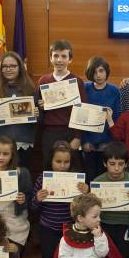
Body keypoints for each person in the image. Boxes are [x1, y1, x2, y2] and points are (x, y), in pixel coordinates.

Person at [32, 141, 89, 258]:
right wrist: (38, 199)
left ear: (71, 162)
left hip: (71, 227)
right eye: (58, 162)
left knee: (78, 257)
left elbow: (85, 210)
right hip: (49, 228)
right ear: (51, 161)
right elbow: (33, 208)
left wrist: (86, 193)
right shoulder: (42, 178)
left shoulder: (77, 180)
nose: (62, 166)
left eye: (66, 162)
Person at [36, 40, 87, 170]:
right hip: (49, 132)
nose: (59, 60)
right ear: (50, 58)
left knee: (73, 168)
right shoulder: (43, 81)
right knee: (49, 167)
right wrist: (40, 106)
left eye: (64, 56)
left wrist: (78, 137)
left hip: (70, 132)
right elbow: (37, 111)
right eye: (56, 56)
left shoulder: (77, 81)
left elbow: (82, 111)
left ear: (70, 59)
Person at [93, 142, 129, 258]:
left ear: (126, 164)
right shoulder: (98, 182)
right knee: (102, 256)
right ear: (104, 163)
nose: (116, 168)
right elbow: (93, 215)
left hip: (126, 224)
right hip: (104, 224)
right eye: (112, 164)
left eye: (121, 164)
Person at [0, 52, 38, 169]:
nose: (8, 69)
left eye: (13, 66)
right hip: (0, 145)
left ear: (20, 67)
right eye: (5, 66)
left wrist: (37, 114)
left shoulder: (31, 88)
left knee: (22, 176)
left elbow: (39, 118)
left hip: (23, 142)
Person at [82, 56, 121, 182]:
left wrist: (111, 142)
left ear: (106, 72)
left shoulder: (114, 90)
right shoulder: (84, 88)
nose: (98, 75)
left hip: (107, 142)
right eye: (94, 72)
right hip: (88, 143)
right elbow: (80, 116)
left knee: (105, 179)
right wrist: (84, 141)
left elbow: (116, 117)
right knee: (89, 178)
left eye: (101, 71)